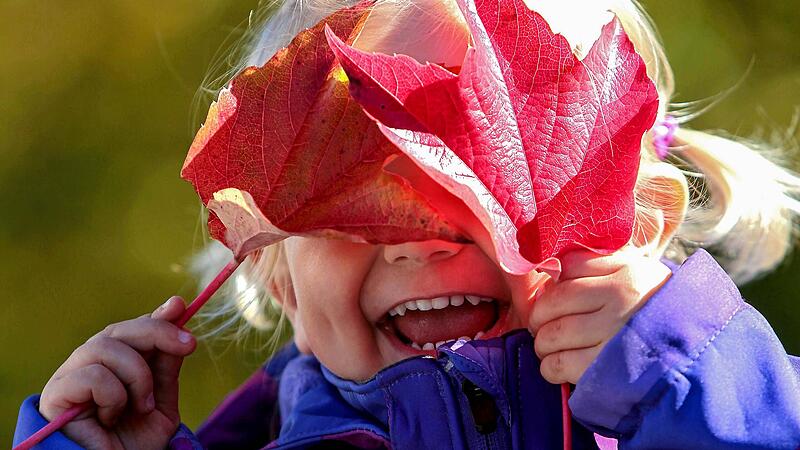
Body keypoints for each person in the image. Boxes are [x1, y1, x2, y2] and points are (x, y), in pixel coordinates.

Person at [13, 0, 800, 448]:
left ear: (638, 225)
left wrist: (678, 377)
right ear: (274, 269)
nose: (417, 234)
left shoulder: (726, 404)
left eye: (481, 179)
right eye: (350, 200)